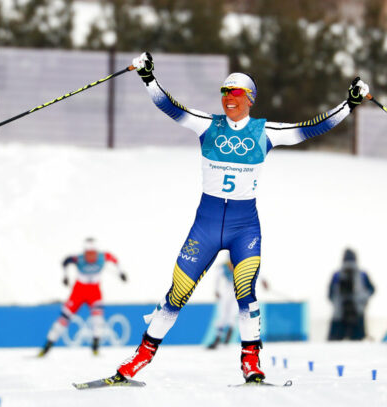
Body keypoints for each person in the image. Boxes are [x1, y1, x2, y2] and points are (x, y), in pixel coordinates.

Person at [107, 52, 369, 385]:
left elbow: (313, 127)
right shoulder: (207, 125)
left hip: (244, 228)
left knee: (246, 293)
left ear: (250, 100)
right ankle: (138, 361)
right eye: (224, 93)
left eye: (236, 94)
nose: (229, 99)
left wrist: (350, 103)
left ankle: (252, 364)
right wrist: (148, 78)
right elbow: (170, 107)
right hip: (206, 227)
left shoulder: (266, 132)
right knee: (177, 295)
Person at [38, 238, 128, 357]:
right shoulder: (78, 258)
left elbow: (115, 260)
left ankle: (95, 347)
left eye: (93, 253)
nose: (90, 256)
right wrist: (65, 276)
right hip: (79, 290)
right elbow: (65, 261)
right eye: (88, 253)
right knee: (65, 317)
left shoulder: (103, 257)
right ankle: (47, 346)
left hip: (94, 291)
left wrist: (121, 273)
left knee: (98, 318)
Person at [207, 257, 269, 350]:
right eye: (230, 264)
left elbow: (254, 268)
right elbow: (217, 277)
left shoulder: (242, 264)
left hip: (238, 292)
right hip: (227, 291)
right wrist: (216, 290)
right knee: (223, 315)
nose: (231, 266)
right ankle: (218, 337)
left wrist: (263, 280)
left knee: (233, 314)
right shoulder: (222, 267)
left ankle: (229, 333)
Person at [328, 249, 375, 341]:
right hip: (358, 313)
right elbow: (372, 289)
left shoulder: (336, 275)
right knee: (358, 343)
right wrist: (363, 300)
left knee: (334, 344)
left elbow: (330, 294)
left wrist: (336, 303)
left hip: (339, 314)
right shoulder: (363, 274)